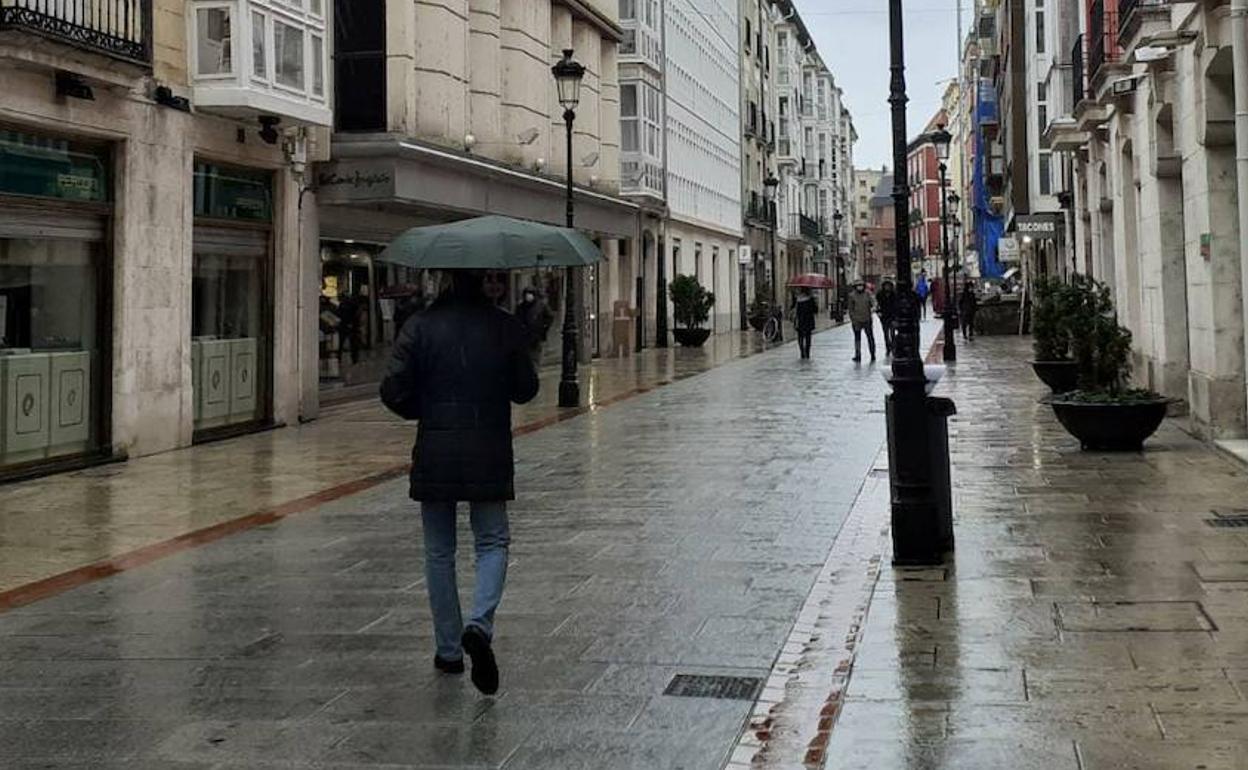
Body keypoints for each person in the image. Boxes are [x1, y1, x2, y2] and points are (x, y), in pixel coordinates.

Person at [380, 270, 540, 696]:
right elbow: (526, 390)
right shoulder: (505, 325)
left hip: (436, 449)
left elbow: (392, 388)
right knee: (492, 541)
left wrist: (429, 409)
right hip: (488, 449)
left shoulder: (421, 326)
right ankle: (479, 625)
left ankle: (449, 650)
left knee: (439, 551)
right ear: (484, 281)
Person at [515, 287, 555, 367]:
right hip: (524, 337)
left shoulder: (541, 306)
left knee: (535, 359)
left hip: (536, 337)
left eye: (530, 294)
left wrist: (543, 328)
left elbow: (550, 317)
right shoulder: (520, 307)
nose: (528, 296)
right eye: (526, 294)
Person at [846, 280, 876, 363]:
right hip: (857, 320)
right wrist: (853, 319)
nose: (860, 287)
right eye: (858, 285)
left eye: (861, 285)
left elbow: (873, 302)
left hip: (867, 319)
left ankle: (873, 353)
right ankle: (858, 354)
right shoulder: (852, 296)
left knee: (870, 337)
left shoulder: (868, 294)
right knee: (857, 338)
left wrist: (874, 307)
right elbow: (850, 309)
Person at [792, 287, 818, 360]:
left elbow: (793, 308)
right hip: (808, 320)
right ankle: (807, 352)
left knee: (800, 336)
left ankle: (802, 352)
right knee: (808, 337)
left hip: (800, 320)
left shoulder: (797, 299)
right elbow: (815, 310)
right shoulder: (810, 299)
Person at [875, 278, 898, 356]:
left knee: (892, 333)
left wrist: (896, 316)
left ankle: (894, 347)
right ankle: (888, 347)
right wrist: (878, 313)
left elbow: (896, 306)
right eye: (886, 286)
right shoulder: (879, 294)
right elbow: (877, 305)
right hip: (884, 317)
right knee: (885, 333)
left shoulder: (894, 294)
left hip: (892, 317)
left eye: (888, 286)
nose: (887, 287)